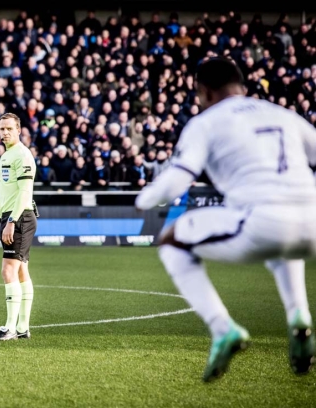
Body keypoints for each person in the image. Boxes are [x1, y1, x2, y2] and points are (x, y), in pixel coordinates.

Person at [135, 57, 316, 382]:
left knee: (171, 240)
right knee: (283, 248)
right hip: (312, 219)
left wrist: (144, 199)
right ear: (243, 85)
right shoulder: (283, 114)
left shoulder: (206, 122)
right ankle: (299, 315)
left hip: (262, 220)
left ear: (203, 91)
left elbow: (177, 180)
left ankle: (223, 329)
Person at [0, 113, 38, 341]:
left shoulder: (23, 155)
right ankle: (23, 327)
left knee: (8, 270)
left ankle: (10, 328)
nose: (5, 132)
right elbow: (5, 196)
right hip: (13, 215)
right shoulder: (7, 156)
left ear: (18, 130)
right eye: (2, 129)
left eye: (9, 129)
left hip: (20, 216)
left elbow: (25, 192)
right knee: (21, 270)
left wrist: (12, 221)